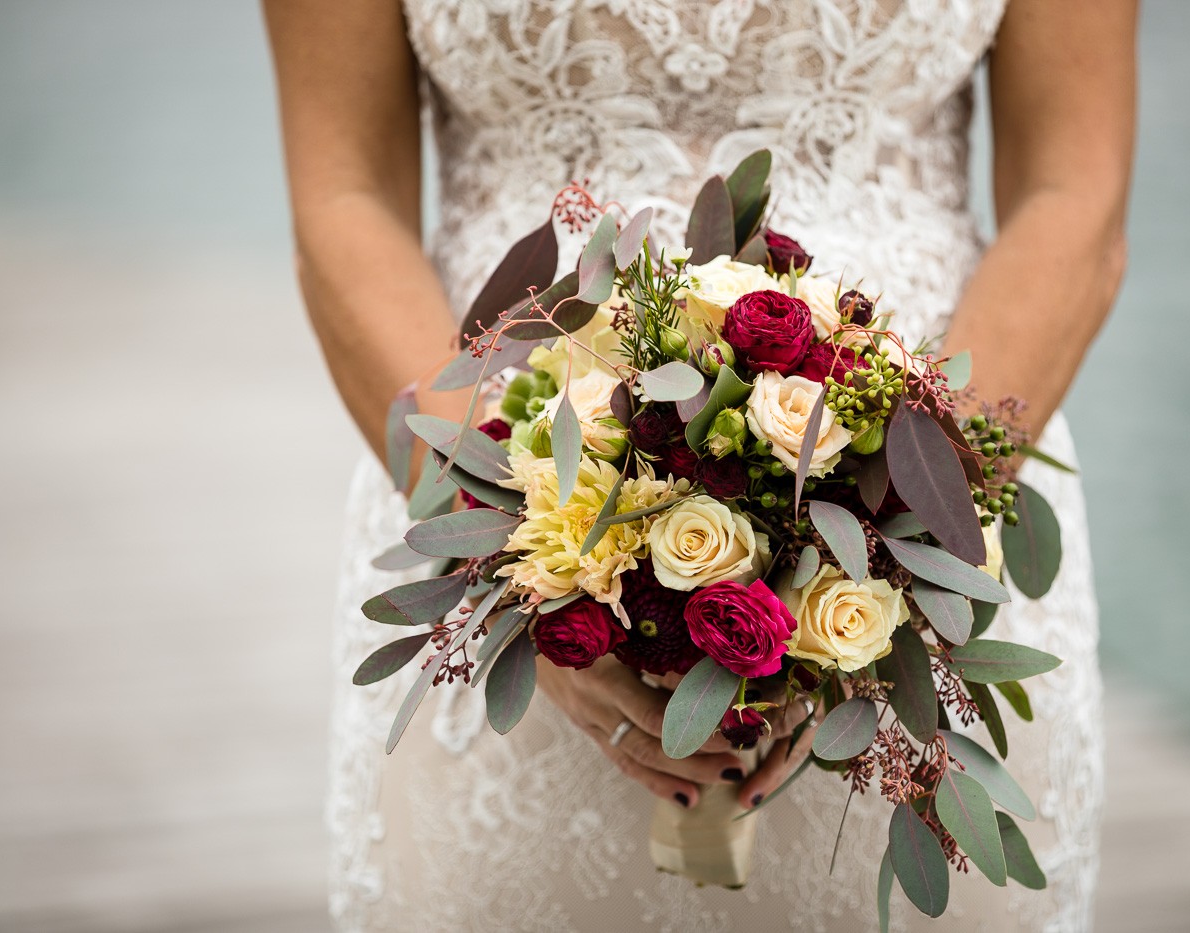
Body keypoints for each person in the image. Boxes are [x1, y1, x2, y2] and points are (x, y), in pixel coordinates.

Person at [264, 0, 1135, 928]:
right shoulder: (508, 557)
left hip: (927, 549)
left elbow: (1072, 194)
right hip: (498, 511)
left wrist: (900, 537)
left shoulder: (917, 538)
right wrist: (520, 573)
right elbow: (345, 198)